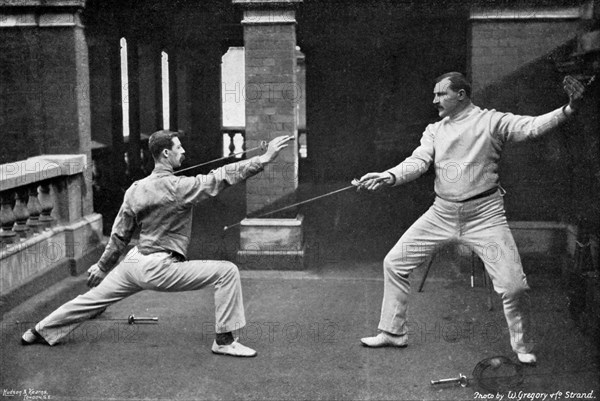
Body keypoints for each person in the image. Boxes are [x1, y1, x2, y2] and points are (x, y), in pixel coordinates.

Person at [358, 72, 586, 364]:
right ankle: (392, 332)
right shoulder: (434, 130)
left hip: (485, 216)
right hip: (441, 213)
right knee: (395, 263)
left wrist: (569, 109)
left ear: (461, 95)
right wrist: (389, 176)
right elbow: (418, 161)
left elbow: (531, 127)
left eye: (441, 94)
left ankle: (523, 346)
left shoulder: (492, 121)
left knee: (514, 286)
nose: (435, 100)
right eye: (435, 94)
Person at [21, 130, 293, 357]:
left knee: (88, 300)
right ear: (165, 153)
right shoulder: (179, 187)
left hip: (133, 262)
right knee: (227, 271)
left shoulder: (135, 188)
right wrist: (265, 158)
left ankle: (38, 330)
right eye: (178, 147)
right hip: (158, 268)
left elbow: (119, 236)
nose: (183, 151)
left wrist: (102, 267)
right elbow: (221, 177)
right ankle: (224, 342)